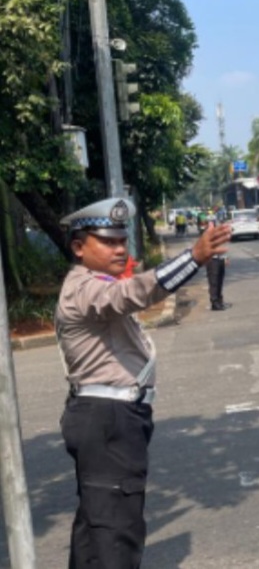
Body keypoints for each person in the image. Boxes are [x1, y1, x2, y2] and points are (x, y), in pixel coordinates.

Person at [55, 197, 231, 568]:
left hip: (111, 417)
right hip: (108, 419)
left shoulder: (94, 283)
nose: (119, 248)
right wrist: (192, 258)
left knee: (96, 526)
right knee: (116, 530)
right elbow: (133, 293)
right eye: (107, 241)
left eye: (122, 240)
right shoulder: (84, 288)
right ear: (78, 247)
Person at [207, 215, 230, 310]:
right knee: (214, 282)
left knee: (220, 281)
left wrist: (225, 258)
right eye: (210, 222)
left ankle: (219, 300)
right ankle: (214, 302)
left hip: (220, 259)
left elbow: (221, 246)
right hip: (212, 260)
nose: (212, 224)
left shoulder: (218, 233)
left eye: (213, 222)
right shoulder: (206, 235)